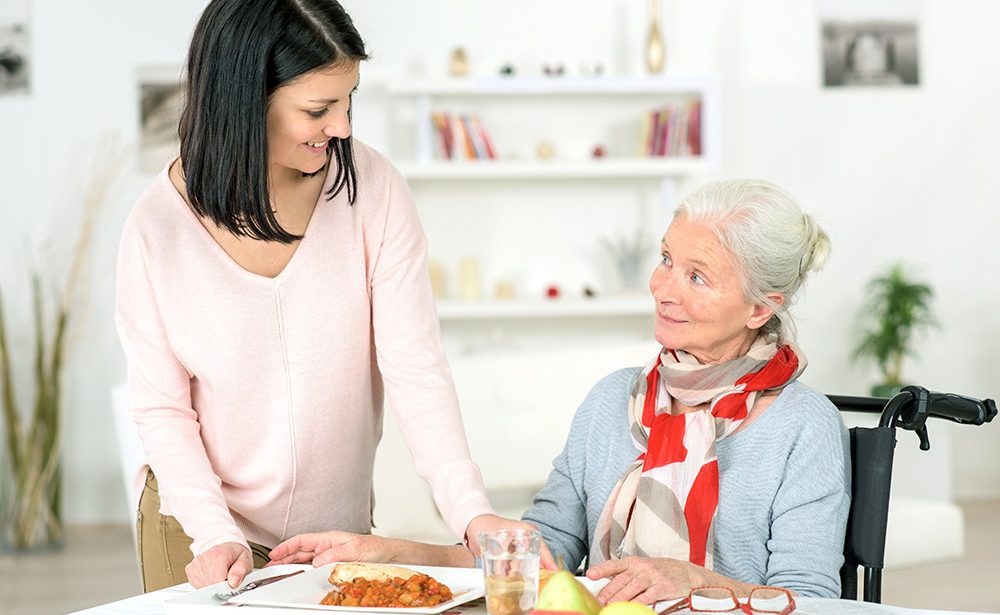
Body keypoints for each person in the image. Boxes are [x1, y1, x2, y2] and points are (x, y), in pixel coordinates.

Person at [114, 0, 535, 593]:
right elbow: (162, 408)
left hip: (333, 538)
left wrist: (471, 514)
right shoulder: (156, 228)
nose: (341, 127)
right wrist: (214, 533)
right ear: (244, 101)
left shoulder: (374, 192)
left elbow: (415, 368)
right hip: (199, 529)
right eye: (318, 108)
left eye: (349, 101)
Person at [268, 179, 851, 602]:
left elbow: (812, 600)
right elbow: (540, 554)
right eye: (667, 260)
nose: (663, 289)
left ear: (760, 308)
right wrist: (391, 555)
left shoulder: (804, 426)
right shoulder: (612, 401)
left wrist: (695, 580)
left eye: (696, 276)